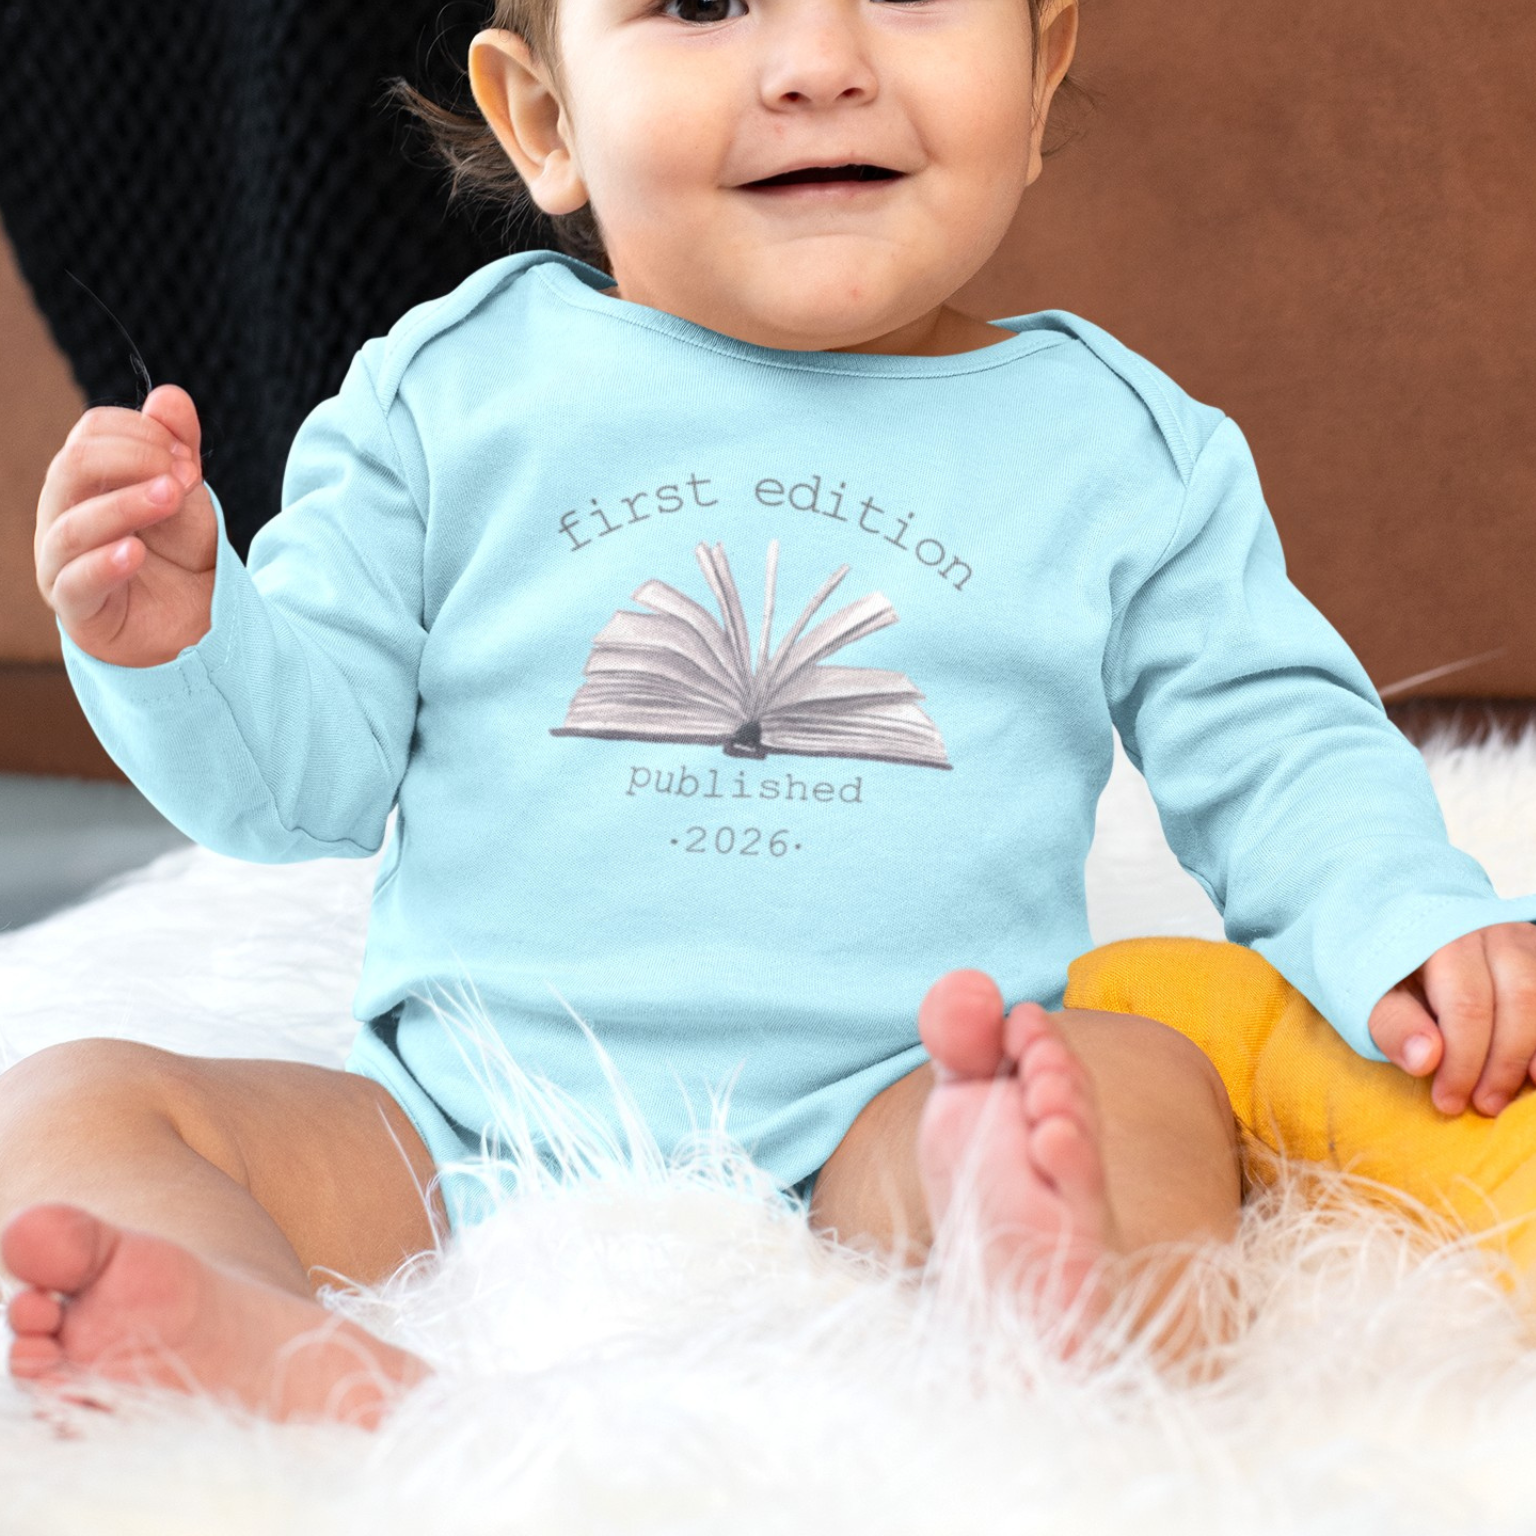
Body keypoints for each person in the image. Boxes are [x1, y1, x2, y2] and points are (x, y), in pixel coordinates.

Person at [10, 0, 1536, 1431]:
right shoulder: (445, 395)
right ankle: (292, 1359)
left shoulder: (1111, 445)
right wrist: (178, 642)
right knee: (75, 1102)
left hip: (903, 1109)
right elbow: (303, 785)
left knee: (1141, 1093)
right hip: (464, 1132)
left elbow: (1275, 733)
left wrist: (1401, 913)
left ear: (1041, 63)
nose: (817, 58)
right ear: (544, 118)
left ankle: (1052, 1312)